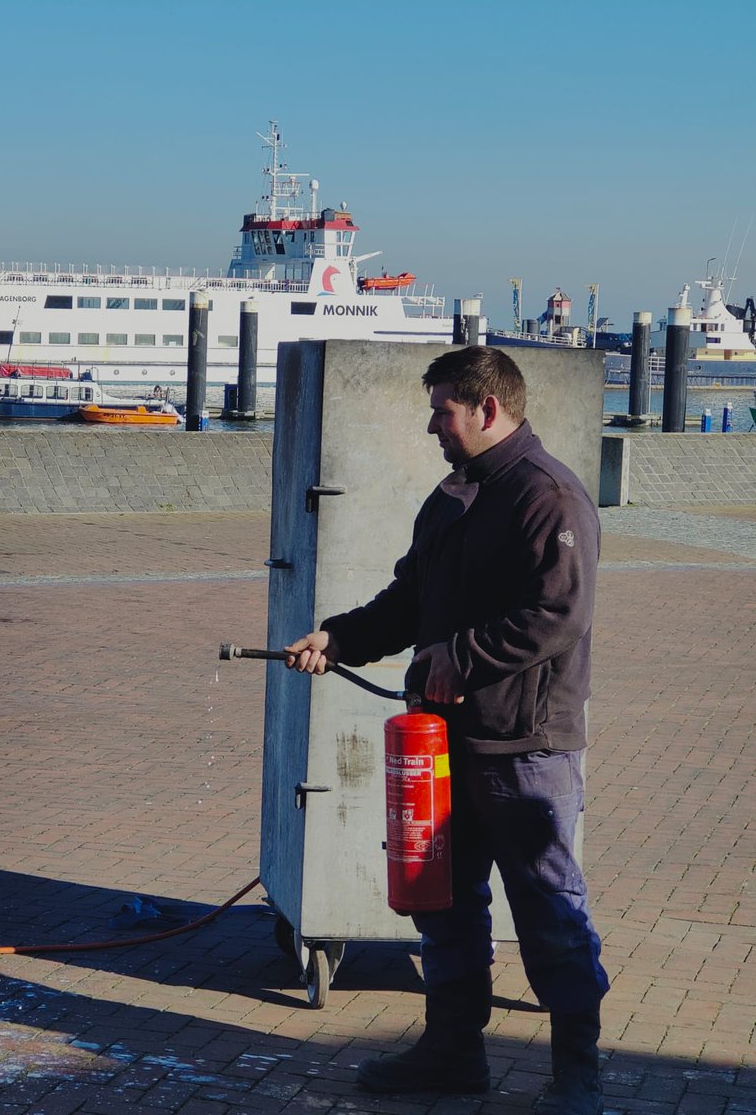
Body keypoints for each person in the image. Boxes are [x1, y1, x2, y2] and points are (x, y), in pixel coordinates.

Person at [285, 346, 609, 1115]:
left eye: (442, 410)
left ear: (487, 409)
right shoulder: (455, 496)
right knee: (444, 905)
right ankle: (453, 1053)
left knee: (549, 909)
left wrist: (453, 658)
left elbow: (558, 616)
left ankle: (577, 1073)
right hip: (444, 743)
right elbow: (409, 599)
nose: (433, 425)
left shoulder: (548, 497)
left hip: (525, 749)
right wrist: (338, 637)